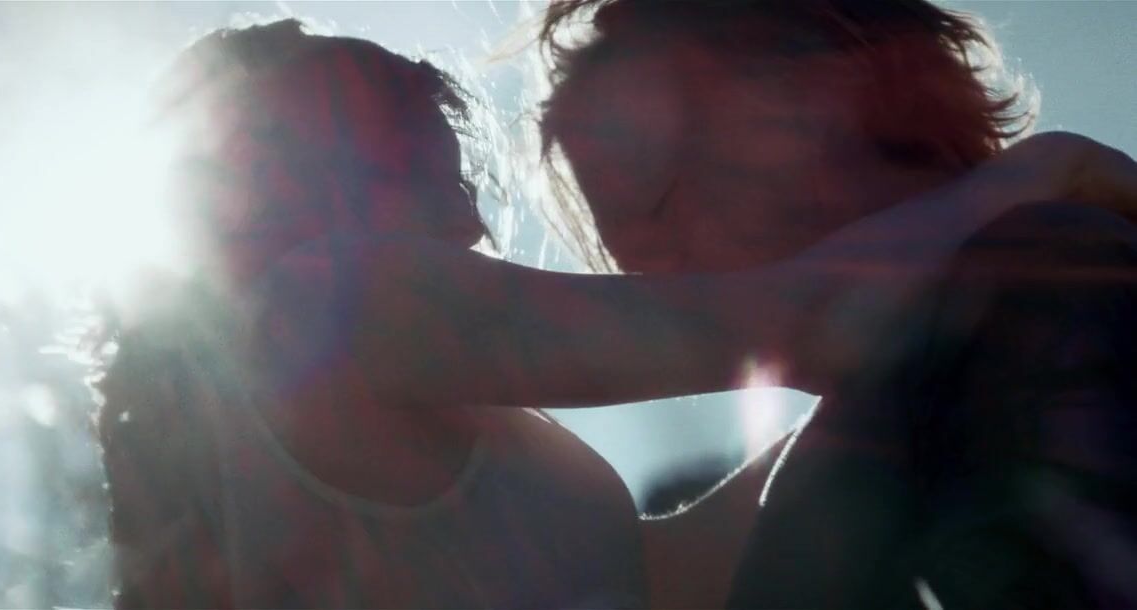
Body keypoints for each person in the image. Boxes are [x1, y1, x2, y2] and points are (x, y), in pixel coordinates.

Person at [92, 15, 1137, 610]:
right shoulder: (329, 295)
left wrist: (882, 401)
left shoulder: (398, 431)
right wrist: (1045, 171)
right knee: (1048, 266)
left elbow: (665, 577)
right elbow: (801, 320)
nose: (471, 219)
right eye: (435, 174)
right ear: (329, 172)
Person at [536, 0, 1137, 607]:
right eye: (625, 249)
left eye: (657, 196)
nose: (648, 275)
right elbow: (643, 576)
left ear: (815, 106)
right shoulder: (874, 438)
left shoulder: (1057, 274)